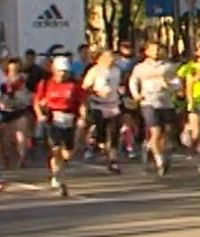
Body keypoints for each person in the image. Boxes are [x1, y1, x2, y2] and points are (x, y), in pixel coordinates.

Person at [34, 56, 86, 197]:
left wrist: (83, 117)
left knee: (67, 153)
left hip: (69, 118)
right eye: (60, 71)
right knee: (55, 148)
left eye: (65, 71)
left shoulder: (75, 85)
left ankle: (58, 168)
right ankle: (57, 175)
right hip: (52, 118)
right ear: (54, 70)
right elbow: (37, 102)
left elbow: (82, 103)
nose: (63, 74)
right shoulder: (45, 84)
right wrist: (40, 115)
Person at [129, 42, 176, 176]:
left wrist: (169, 85)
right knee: (156, 131)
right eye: (154, 50)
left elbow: (176, 83)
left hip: (166, 102)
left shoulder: (167, 66)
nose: (156, 52)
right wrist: (136, 95)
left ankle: (151, 146)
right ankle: (160, 161)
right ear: (147, 52)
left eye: (159, 49)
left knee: (167, 132)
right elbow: (133, 81)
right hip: (149, 102)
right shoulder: (140, 68)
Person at [81, 50, 123, 174]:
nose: (112, 59)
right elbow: (85, 87)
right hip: (98, 105)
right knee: (101, 133)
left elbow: (119, 85)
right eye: (109, 57)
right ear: (101, 59)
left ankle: (113, 161)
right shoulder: (94, 71)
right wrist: (96, 93)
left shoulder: (117, 70)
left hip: (114, 105)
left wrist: (121, 92)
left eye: (113, 57)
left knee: (114, 132)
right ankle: (97, 144)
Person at [1, 59, 34, 169]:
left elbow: (31, 93)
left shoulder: (24, 78)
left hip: (20, 110)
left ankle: (22, 159)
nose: (14, 69)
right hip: (6, 112)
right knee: (6, 140)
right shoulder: (3, 79)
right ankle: (7, 159)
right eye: (12, 67)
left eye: (16, 67)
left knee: (21, 137)